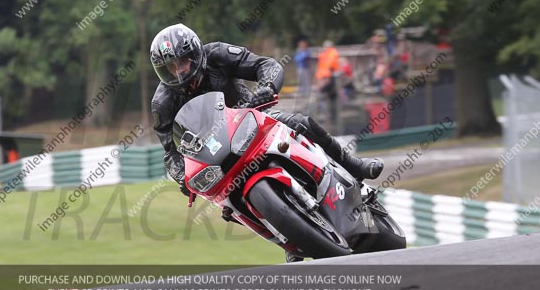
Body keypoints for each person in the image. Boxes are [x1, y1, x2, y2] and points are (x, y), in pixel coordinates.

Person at [149, 24, 383, 201]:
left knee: (300, 121)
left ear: (195, 54)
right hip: (214, 153)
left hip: (251, 118)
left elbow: (265, 65)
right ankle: (288, 238)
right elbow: (171, 152)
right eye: (171, 68)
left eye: (182, 62)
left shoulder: (218, 54)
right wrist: (183, 176)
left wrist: (266, 88)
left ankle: (354, 166)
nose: (179, 72)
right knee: (225, 201)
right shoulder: (162, 103)